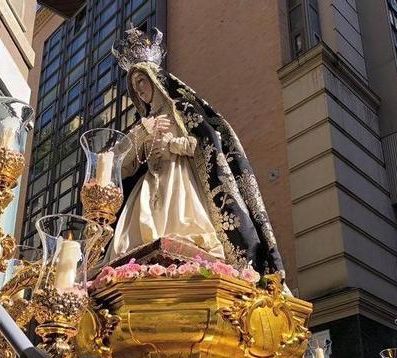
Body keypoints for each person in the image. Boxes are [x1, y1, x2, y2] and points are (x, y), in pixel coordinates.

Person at [108, 27, 285, 278]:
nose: (138, 90)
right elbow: (121, 166)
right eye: (134, 86)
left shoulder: (178, 109)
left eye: (141, 81)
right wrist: (142, 135)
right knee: (135, 244)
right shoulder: (142, 125)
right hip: (149, 187)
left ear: (155, 78)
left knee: (185, 236)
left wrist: (170, 143)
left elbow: (200, 144)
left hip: (179, 181)